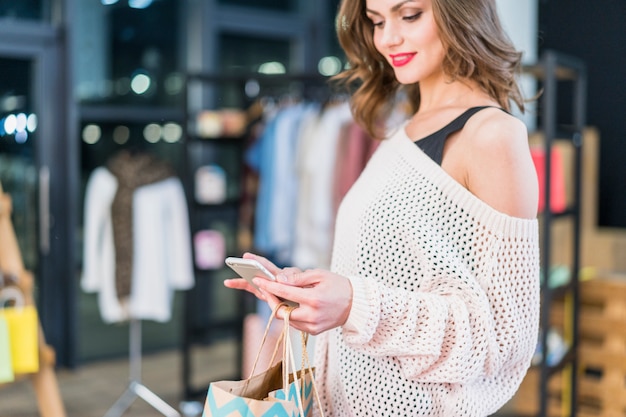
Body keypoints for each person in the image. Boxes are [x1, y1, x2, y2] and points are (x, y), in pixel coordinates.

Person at [225, 0, 540, 415]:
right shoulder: (400, 132)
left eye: (409, 15)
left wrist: (355, 304)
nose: (388, 38)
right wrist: (315, 292)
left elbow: (503, 340)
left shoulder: (491, 136)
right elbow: (383, 278)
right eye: (376, 21)